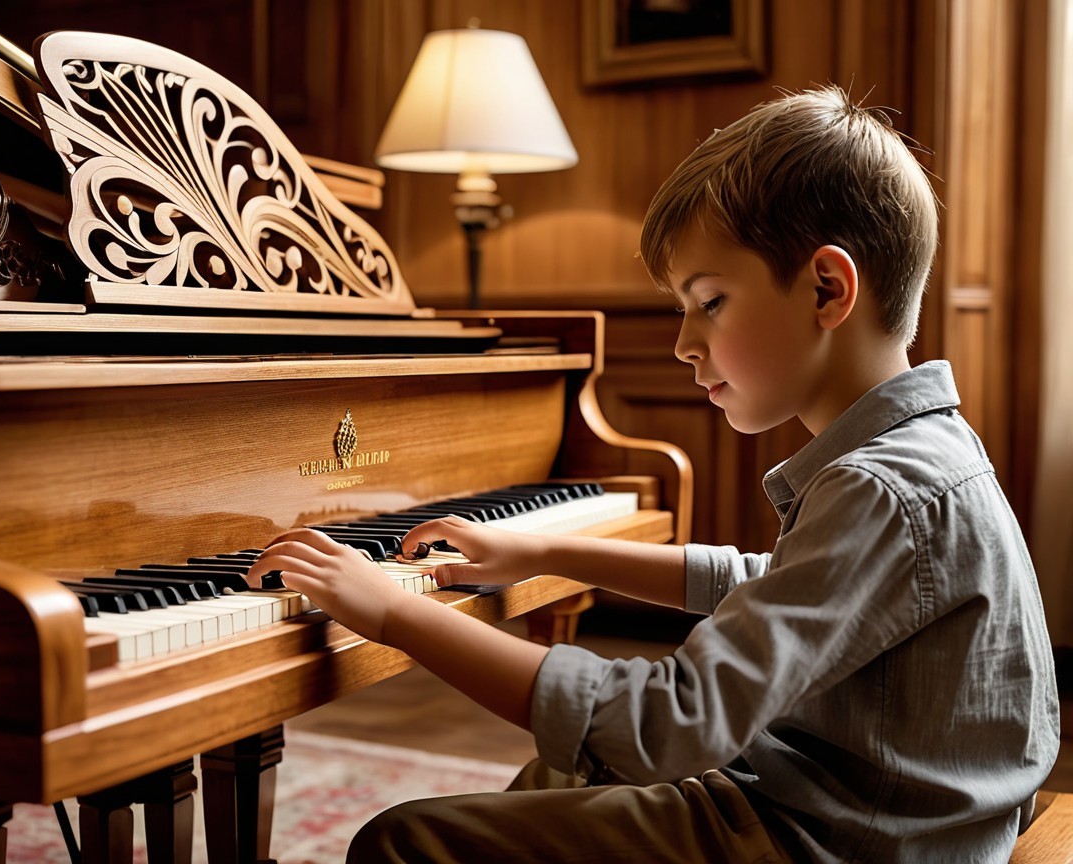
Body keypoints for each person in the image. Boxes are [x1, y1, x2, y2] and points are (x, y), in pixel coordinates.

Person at [246, 85, 1060, 863]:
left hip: (835, 840)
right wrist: (547, 554)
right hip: (882, 818)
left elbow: (670, 723)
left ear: (826, 288)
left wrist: (391, 613)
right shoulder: (920, 453)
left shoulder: (879, 487)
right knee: (550, 780)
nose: (682, 344)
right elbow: (767, 583)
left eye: (709, 302)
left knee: (403, 842)